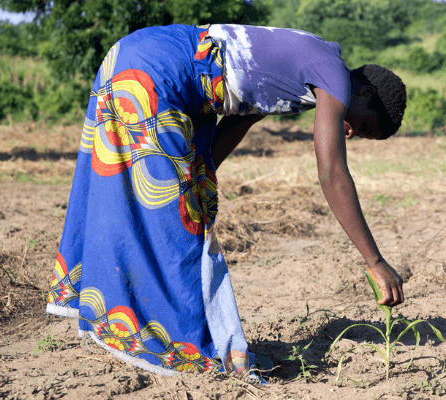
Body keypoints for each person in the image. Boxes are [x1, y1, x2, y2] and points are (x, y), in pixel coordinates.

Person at [45, 23, 406, 379]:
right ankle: (191, 350)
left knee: (147, 203)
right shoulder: (334, 77)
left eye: (360, 136)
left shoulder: (310, 63)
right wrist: (374, 260)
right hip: (158, 74)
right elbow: (331, 173)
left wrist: (196, 177)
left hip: (140, 57)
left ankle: (148, 326)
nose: (350, 131)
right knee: (180, 226)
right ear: (367, 93)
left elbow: (240, 121)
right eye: (365, 127)